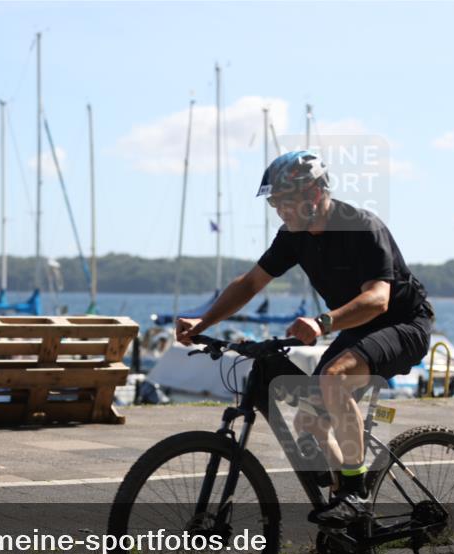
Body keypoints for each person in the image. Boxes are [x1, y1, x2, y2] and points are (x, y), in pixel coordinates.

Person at [176, 150, 434, 526]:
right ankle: (347, 514)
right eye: (275, 204)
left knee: (334, 377)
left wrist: (322, 322)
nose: (280, 211)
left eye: (285, 202)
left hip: (404, 323)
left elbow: (379, 300)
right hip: (358, 327)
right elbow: (250, 283)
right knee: (310, 426)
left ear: (314, 195)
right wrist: (203, 321)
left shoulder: (361, 226)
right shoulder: (293, 237)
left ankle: (355, 493)